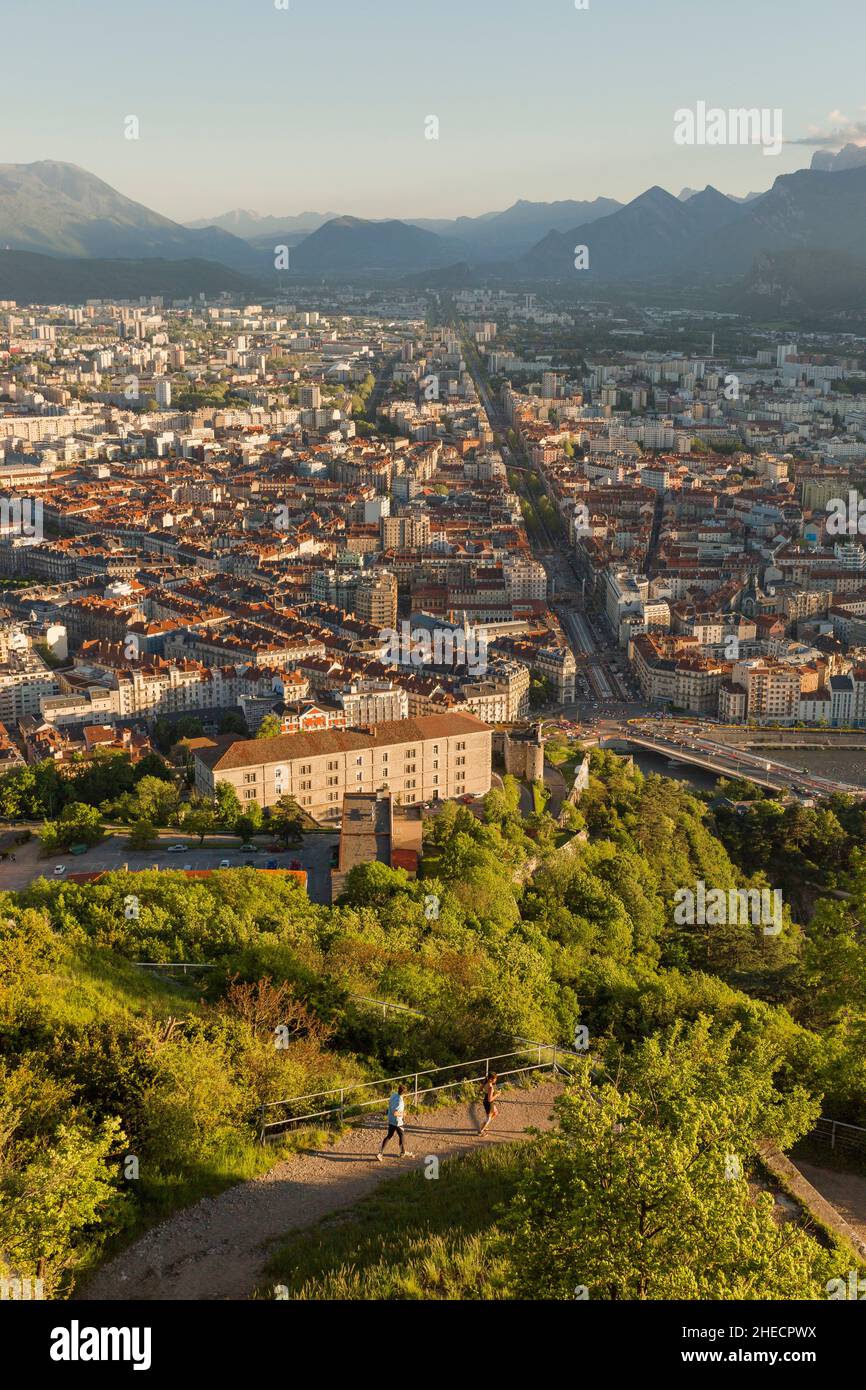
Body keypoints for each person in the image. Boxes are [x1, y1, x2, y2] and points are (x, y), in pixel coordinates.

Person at [376, 1082, 414, 1160]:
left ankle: (380, 1153)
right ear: (405, 1093)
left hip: (390, 1120)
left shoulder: (393, 1095)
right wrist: (403, 1114)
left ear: (398, 1090)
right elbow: (395, 1113)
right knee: (402, 1136)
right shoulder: (400, 1102)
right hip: (397, 1122)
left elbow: (390, 1105)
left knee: (389, 1136)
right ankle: (403, 1152)